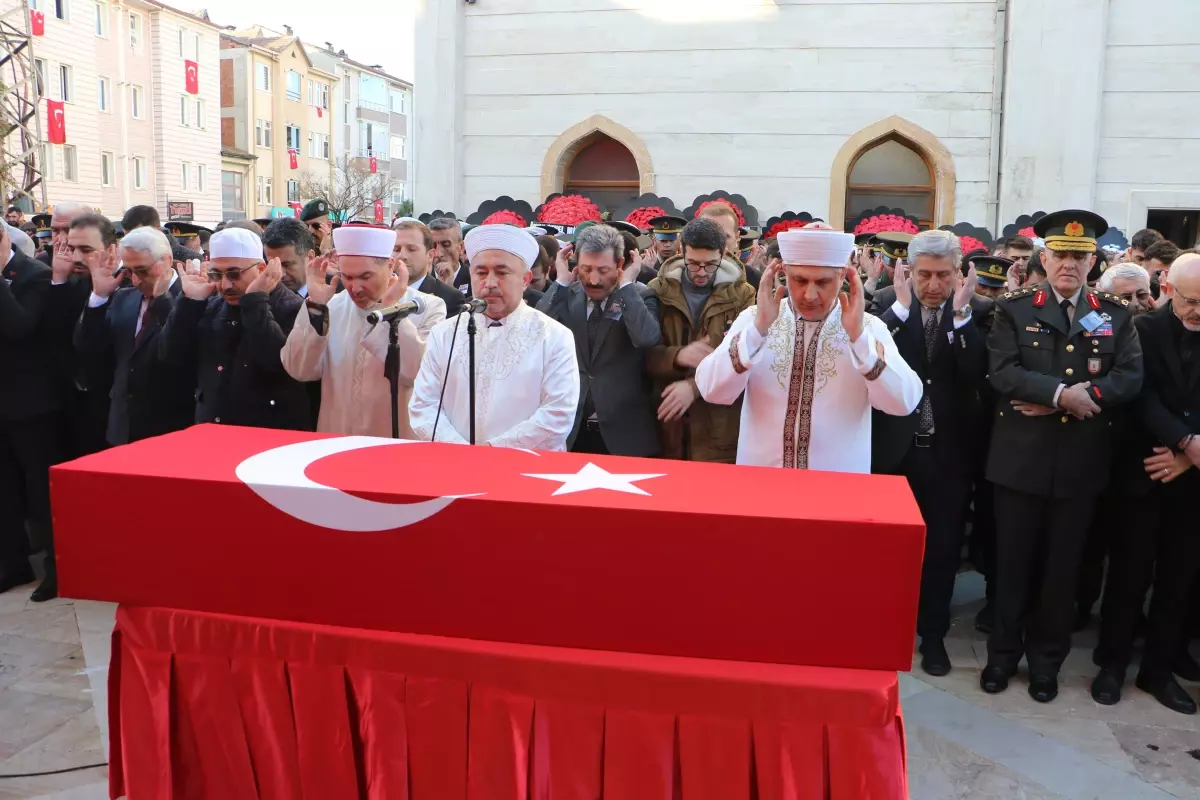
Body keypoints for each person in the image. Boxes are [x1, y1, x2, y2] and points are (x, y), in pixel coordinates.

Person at [981, 210, 1143, 703]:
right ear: (1044, 258)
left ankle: (1046, 664)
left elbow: (1130, 377)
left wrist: (1079, 394)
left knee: (1060, 570)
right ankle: (1002, 657)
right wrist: (1059, 395)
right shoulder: (1013, 309)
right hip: (1020, 461)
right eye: (1061, 255)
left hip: (1079, 461)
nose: (1069, 264)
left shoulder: (1113, 313)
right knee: (1012, 565)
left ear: (1093, 260)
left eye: (1080, 255)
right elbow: (1002, 372)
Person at [694, 226, 922, 470]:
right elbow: (712, 390)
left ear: (843, 276)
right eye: (800, 280)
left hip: (837, 489)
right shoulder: (755, 319)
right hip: (762, 484)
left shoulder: (867, 327)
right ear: (783, 273)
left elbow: (903, 402)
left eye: (822, 282)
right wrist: (758, 330)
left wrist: (859, 338)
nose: (810, 295)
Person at [870, 231, 990, 675]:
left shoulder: (979, 312)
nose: (934, 285)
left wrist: (960, 317)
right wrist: (899, 311)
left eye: (943, 275)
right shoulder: (888, 307)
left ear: (958, 273)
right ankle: (888, 627)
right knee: (892, 550)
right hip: (897, 454)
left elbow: (976, 373)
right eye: (924, 275)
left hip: (950, 454)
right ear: (909, 272)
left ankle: (933, 635)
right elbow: (876, 362)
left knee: (941, 549)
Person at [1090, 253, 1200, 714]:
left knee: (1179, 579)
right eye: (1192, 300)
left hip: (1192, 477)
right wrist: (1180, 440)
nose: (1198, 310)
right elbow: (1137, 393)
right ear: (1168, 290)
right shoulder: (1141, 329)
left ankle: (1158, 669)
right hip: (1143, 469)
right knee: (1129, 574)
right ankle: (1112, 665)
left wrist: (1188, 456)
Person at [410, 225, 579, 448]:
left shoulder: (554, 337)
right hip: (455, 465)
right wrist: (460, 451)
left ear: (526, 279)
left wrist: (491, 451)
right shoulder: (444, 333)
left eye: (501, 272)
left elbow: (558, 414)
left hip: (527, 470)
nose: (489, 283)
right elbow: (423, 406)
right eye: (481, 273)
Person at [282, 224, 445, 438]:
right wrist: (316, 308)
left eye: (365, 277)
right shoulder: (332, 305)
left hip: (396, 445)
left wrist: (389, 309)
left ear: (390, 265)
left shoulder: (426, 307)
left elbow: (417, 373)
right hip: (338, 441)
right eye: (347, 277)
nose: (355, 288)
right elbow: (299, 370)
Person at [158, 227, 311, 430]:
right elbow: (170, 358)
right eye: (216, 274)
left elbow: (278, 365)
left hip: (267, 439)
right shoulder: (210, 305)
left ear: (262, 268)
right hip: (213, 433)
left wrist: (255, 302)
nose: (226, 285)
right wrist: (189, 303)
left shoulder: (293, 308)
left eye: (234, 274)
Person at [536, 224, 661, 456]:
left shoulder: (640, 296)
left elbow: (646, 338)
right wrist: (561, 282)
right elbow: (535, 333)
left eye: (603, 270)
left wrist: (626, 287)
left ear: (620, 265)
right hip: (571, 433)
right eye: (586, 269)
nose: (593, 279)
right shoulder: (566, 294)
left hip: (624, 436)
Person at [646, 218, 756, 463]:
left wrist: (696, 387)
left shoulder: (743, 295)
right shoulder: (657, 290)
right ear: (681, 251)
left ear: (724, 254)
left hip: (718, 428)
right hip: (667, 423)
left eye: (710, 265)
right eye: (693, 264)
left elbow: (746, 356)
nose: (702, 273)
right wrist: (677, 356)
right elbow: (642, 353)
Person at [75, 224, 194, 446]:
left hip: (172, 430)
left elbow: (180, 353)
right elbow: (90, 350)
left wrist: (162, 302)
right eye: (129, 271)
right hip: (123, 427)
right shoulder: (124, 298)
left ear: (167, 260)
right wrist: (99, 298)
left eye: (142, 270)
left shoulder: (190, 298)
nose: (136, 280)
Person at [0, 223, 63, 600]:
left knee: (40, 490)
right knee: (3, 489)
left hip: (32, 403)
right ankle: (13, 562)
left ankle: (56, 568)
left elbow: (21, 328)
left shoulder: (33, 274)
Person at [394, 219, 465, 316]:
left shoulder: (449, 297)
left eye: (411, 249)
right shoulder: (380, 292)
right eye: (396, 249)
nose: (402, 256)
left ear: (430, 255)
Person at [122, 205, 200, 263]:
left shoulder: (191, 260)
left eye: (138, 238)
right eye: (127, 238)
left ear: (158, 230)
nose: (130, 244)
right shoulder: (123, 260)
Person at [262, 217, 316, 296]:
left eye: (287, 265)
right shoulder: (263, 299)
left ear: (310, 258)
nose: (280, 274)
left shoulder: (333, 299)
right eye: (272, 265)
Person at [864, 232, 912, 311]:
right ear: (881, 260)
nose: (897, 269)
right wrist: (872, 281)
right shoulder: (878, 292)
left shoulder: (922, 288)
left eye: (904, 263)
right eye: (890, 262)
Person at [429, 217, 471, 295]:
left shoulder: (472, 278)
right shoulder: (420, 281)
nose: (439, 254)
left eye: (446, 245)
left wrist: (449, 291)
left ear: (461, 247)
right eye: (433, 246)